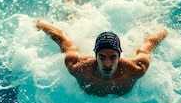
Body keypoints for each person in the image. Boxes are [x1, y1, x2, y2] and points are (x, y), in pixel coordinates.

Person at [36, 19, 167, 96]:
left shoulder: (136, 69)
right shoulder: (77, 67)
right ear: (95, 55)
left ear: (120, 56)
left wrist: (163, 32)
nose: (107, 63)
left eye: (113, 57)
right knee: (72, 18)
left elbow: (149, 44)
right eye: (102, 57)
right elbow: (62, 39)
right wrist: (41, 24)